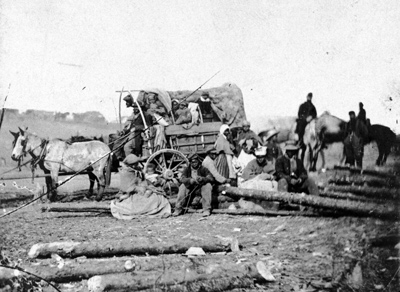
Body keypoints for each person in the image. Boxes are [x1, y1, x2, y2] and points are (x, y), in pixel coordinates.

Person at [110, 154, 171, 220]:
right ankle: (148, 210)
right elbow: (127, 187)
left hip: (141, 190)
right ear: (129, 164)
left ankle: (158, 209)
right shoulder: (125, 173)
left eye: (136, 163)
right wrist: (140, 188)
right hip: (131, 194)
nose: (136, 165)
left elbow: (143, 180)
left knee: (158, 197)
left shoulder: (137, 170)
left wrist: (148, 186)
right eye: (134, 164)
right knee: (147, 200)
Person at [113, 95, 150, 160]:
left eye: (136, 107)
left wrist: (137, 128)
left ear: (140, 108)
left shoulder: (145, 116)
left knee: (127, 147)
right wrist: (124, 131)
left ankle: (131, 161)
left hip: (137, 136)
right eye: (134, 107)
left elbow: (148, 126)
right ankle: (119, 158)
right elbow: (130, 127)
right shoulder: (134, 116)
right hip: (130, 135)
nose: (134, 109)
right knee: (117, 142)